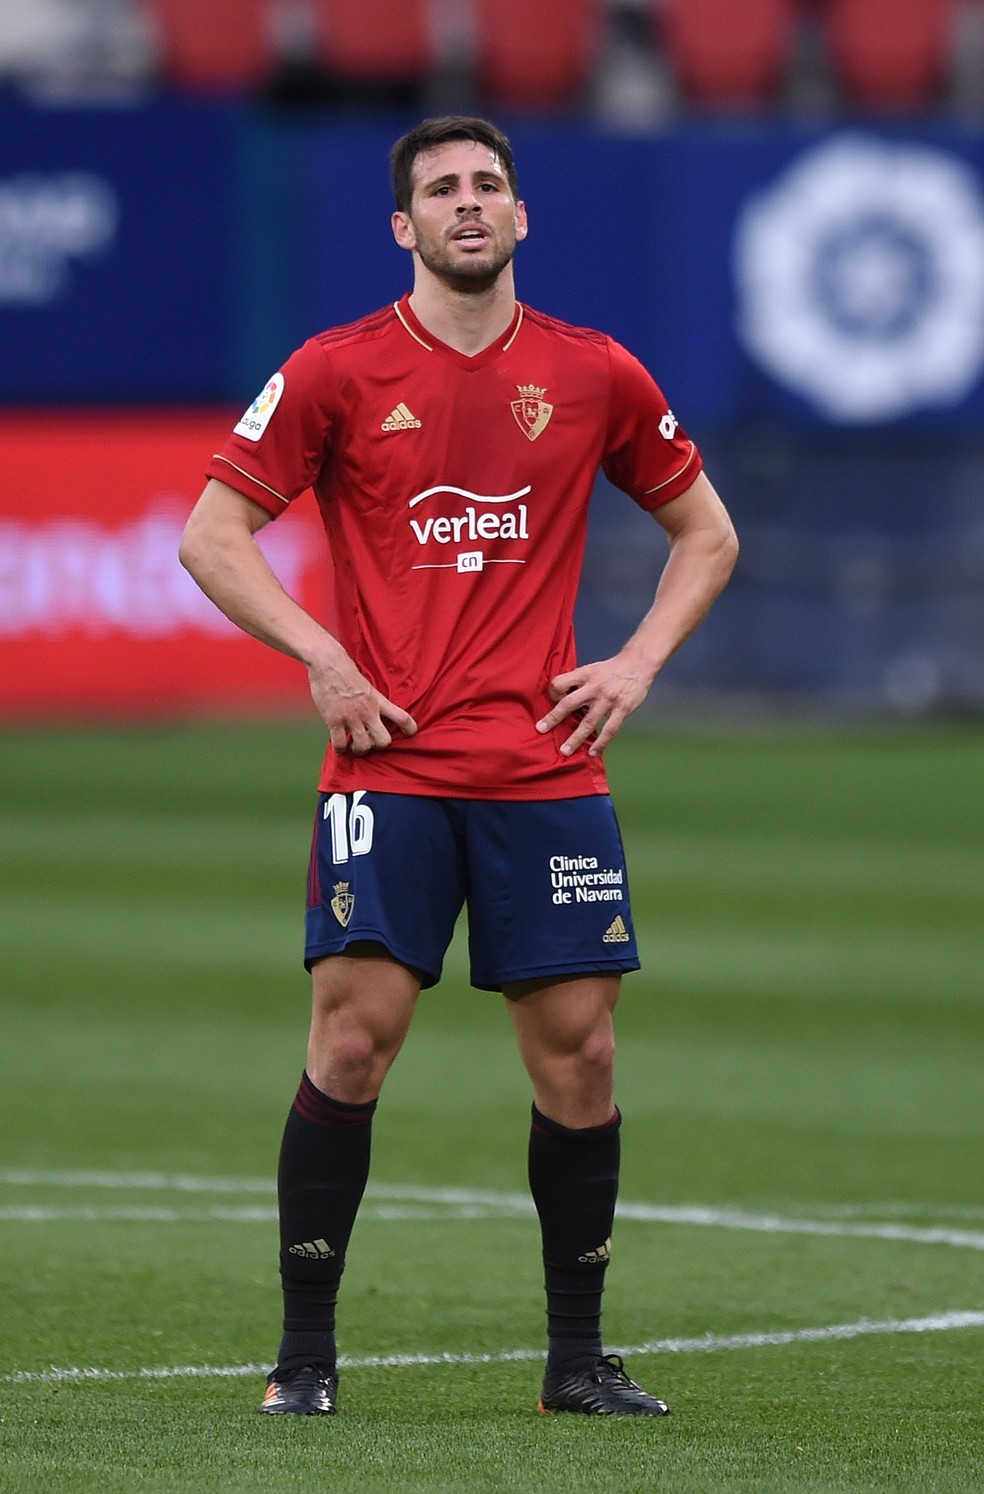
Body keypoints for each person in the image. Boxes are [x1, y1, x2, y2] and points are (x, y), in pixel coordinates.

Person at [179, 115, 738, 1420]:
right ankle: (306, 1357)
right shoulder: (337, 369)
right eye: (442, 189)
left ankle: (576, 1361)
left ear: (523, 215)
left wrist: (637, 664)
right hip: (389, 769)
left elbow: (705, 534)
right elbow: (214, 534)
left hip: (546, 774)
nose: (469, 204)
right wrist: (322, 655)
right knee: (354, 1041)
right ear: (404, 226)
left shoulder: (594, 372)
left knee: (581, 1055)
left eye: (489, 185)